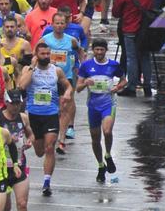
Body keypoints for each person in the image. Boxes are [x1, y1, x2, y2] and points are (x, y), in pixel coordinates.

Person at [18, 42, 73, 197]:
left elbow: (68, 86)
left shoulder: (57, 70)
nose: (46, 57)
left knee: (49, 148)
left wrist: (68, 93)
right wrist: (32, 66)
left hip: (51, 114)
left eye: (48, 54)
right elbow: (22, 86)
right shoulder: (28, 70)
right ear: (36, 54)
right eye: (42, 54)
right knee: (39, 151)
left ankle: (47, 182)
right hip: (33, 115)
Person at [77, 38, 126, 183]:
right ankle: (100, 165)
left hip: (108, 104)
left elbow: (124, 80)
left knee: (107, 131)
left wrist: (117, 87)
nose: (99, 52)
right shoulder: (86, 66)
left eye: (101, 50)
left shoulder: (113, 65)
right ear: (93, 50)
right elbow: (78, 88)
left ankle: (108, 154)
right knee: (95, 138)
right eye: (96, 50)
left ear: (106, 50)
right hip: (92, 105)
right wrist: (85, 82)